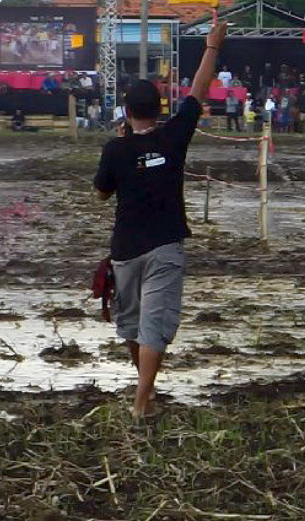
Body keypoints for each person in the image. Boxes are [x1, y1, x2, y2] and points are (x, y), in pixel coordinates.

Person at [93, 21, 226, 418]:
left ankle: (143, 397)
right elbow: (198, 91)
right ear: (160, 108)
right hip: (165, 246)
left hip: (126, 250)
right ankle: (144, 398)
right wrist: (211, 46)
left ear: (127, 112)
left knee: (134, 326)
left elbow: (101, 193)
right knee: (152, 326)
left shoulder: (115, 150)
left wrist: (127, 150)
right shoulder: (173, 137)